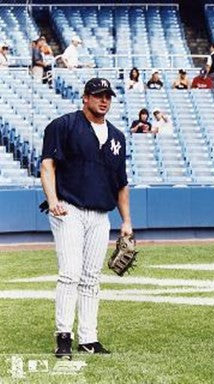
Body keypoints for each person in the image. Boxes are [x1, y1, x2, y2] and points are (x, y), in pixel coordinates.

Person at [40, 77, 132, 360]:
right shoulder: (64, 125)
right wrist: (53, 200)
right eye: (98, 95)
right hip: (69, 209)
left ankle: (88, 339)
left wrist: (126, 221)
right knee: (70, 273)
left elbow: (121, 182)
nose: (104, 100)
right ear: (85, 97)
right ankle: (64, 336)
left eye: (108, 95)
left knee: (91, 277)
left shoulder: (117, 136)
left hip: (100, 214)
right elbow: (47, 165)